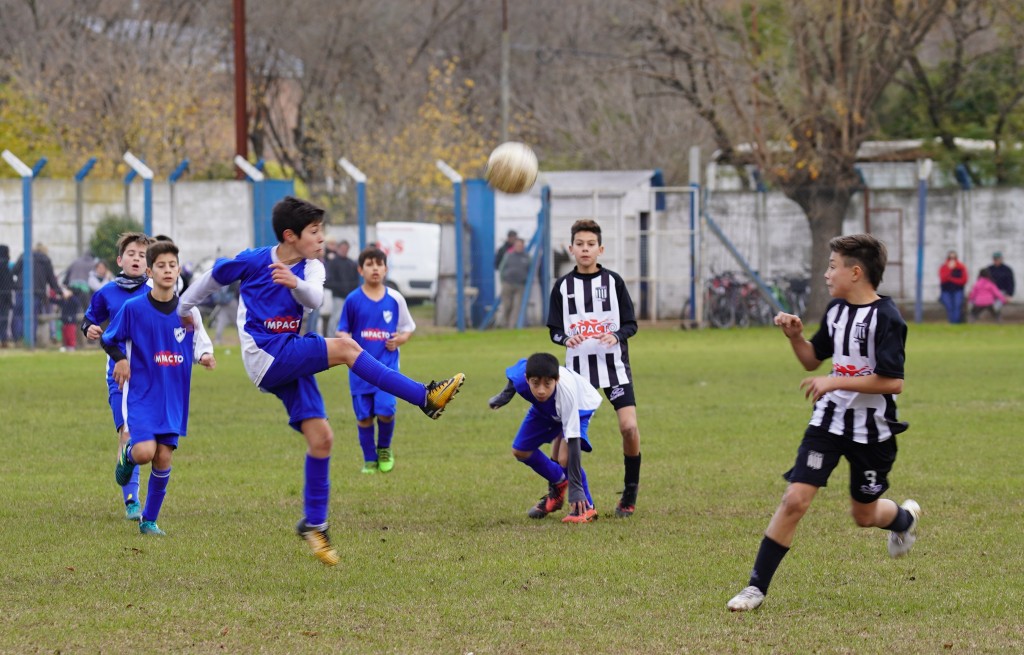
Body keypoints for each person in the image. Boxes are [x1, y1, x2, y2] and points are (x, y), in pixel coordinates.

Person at [177, 196, 465, 566]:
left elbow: (312, 298)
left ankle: (315, 524)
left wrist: (294, 280)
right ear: (290, 235)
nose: (322, 238)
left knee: (322, 438)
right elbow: (208, 280)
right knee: (346, 347)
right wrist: (183, 311)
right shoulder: (253, 260)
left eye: (321, 231)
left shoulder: (312, 266)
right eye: (314, 232)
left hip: (289, 354)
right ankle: (425, 397)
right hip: (265, 355)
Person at [726, 233, 919, 612]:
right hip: (827, 422)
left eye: (833, 267)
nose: (827, 274)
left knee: (864, 514)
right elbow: (813, 360)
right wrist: (795, 338)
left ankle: (902, 518)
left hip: (872, 429)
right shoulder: (835, 311)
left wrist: (835, 380)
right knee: (795, 499)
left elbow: (893, 381)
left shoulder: (887, 318)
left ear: (856, 272)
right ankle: (755, 588)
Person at [105, 240, 216, 536]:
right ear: (150, 272)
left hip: (173, 396)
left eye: (172, 265)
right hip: (141, 394)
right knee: (144, 453)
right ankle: (127, 457)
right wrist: (120, 361)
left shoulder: (188, 311)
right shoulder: (134, 308)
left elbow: (199, 343)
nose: (168, 270)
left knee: (164, 456)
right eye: (161, 266)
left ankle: (149, 520)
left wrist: (204, 356)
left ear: (178, 270)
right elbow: (109, 338)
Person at [547, 219, 643, 518]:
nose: (585, 249)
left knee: (628, 427)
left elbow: (631, 325)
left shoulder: (614, 282)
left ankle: (629, 492)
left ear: (600, 249)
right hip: (576, 374)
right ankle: (556, 490)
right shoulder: (562, 287)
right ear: (571, 249)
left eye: (591, 245)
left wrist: (615, 335)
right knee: (563, 437)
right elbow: (554, 330)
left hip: (614, 369)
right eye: (580, 244)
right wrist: (566, 337)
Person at [82, 232, 153, 520]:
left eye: (142, 255)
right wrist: (89, 328)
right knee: (127, 433)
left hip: (152, 376)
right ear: (119, 260)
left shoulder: (155, 291)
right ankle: (132, 501)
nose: (136, 259)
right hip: (119, 376)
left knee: (154, 441)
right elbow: (89, 319)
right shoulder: (107, 293)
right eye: (131, 254)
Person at [488, 352, 601, 523]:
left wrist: (576, 488)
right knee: (520, 451)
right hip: (545, 408)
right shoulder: (522, 377)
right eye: (535, 383)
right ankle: (559, 482)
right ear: (527, 379)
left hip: (580, 406)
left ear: (557, 379)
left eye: (547, 384)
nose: (541, 390)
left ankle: (587, 508)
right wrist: (504, 397)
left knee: (564, 458)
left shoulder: (567, 395)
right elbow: (514, 376)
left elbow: (573, 440)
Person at [335, 246, 415, 474]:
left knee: (386, 410)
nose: (375, 269)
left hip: (387, 368)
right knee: (364, 418)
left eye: (379, 264)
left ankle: (385, 450)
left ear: (386, 269)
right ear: (361, 270)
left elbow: (408, 328)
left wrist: (399, 340)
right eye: (369, 265)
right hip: (359, 370)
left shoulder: (395, 298)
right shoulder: (353, 300)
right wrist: (346, 339)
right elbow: (342, 330)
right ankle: (369, 459)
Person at [11, 242, 70, 342]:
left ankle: (17, 337)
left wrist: (14, 285)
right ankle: (30, 339)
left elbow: (14, 270)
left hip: (21, 289)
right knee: (32, 316)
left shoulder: (24, 256)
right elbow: (52, 280)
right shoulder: (46, 260)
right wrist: (60, 292)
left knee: (18, 314)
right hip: (37, 292)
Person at [326, 239, 360, 336]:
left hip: (349, 296)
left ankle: (345, 337)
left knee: (349, 317)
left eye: (346, 248)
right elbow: (328, 281)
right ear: (338, 248)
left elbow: (356, 280)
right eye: (343, 248)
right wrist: (340, 287)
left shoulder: (351, 263)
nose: (344, 250)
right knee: (336, 317)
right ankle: (331, 337)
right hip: (338, 296)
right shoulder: (333, 263)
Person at [499, 238, 531, 329]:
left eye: (521, 246)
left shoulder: (527, 257)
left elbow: (531, 271)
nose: (519, 247)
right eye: (517, 245)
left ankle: (511, 326)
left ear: (523, 246)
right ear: (514, 246)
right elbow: (502, 268)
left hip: (520, 285)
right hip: (507, 284)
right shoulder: (508, 256)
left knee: (517, 306)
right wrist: (503, 281)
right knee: (507, 305)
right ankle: (504, 324)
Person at [938, 250, 968, 324]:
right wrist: (949, 269)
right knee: (949, 307)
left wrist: (951, 279)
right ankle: (951, 322)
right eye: (950, 258)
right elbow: (943, 279)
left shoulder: (961, 267)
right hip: (946, 290)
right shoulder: (944, 267)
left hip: (958, 290)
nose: (952, 260)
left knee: (957, 306)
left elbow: (963, 280)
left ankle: (956, 322)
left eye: (953, 258)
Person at [0, 245, 14, 347]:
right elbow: (9, 282)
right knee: (3, 319)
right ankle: (3, 339)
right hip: (4, 297)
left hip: (3, 295)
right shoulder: (5, 265)